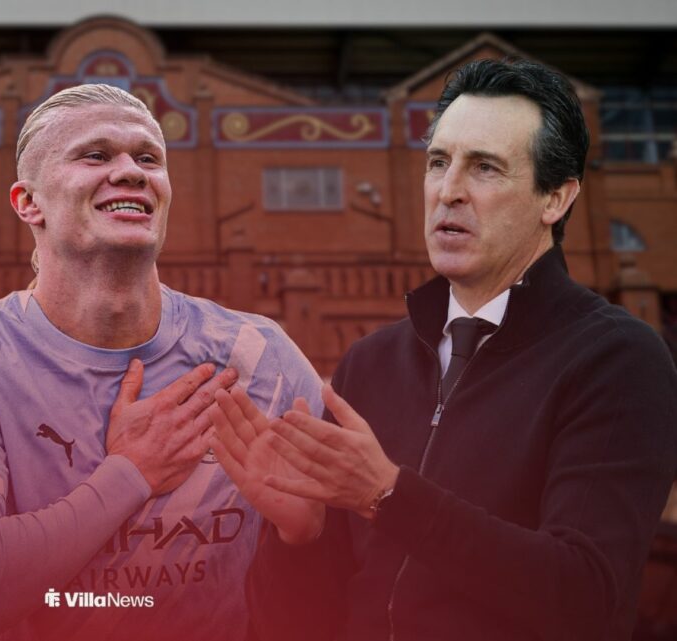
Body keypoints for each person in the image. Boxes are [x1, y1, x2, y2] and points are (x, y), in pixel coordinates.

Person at [211, 58, 677, 641]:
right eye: (439, 162)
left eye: (485, 168)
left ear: (554, 198)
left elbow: (582, 597)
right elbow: (300, 621)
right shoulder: (372, 363)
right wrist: (297, 537)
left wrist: (388, 495)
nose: (449, 191)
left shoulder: (618, 360)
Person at [0, 83, 324, 641]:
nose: (131, 171)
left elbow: (338, 580)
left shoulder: (260, 355)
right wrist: (132, 475)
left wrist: (303, 532)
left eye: (148, 158)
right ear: (29, 202)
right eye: (96, 155)